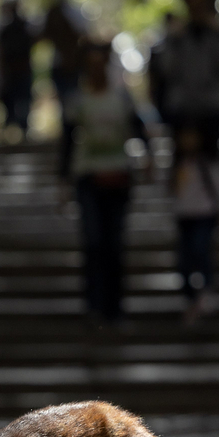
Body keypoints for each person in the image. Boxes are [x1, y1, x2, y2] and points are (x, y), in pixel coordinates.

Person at [61, 41, 150, 325]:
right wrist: (64, 180)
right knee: (94, 241)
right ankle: (94, 304)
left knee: (114, 243)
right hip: (88, 178)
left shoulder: (121, 98)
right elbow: (67, 143)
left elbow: (140, 131)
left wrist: (147, 157)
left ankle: (114, 306)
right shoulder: (77, 101)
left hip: (118, 178)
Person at [151, 0, 219, 152]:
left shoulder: (216, 32)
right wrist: (176, 39)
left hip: (210, 106)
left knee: (210, 158)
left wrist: (218, 33)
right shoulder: (176, 34)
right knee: (182, 162)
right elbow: (165, 69)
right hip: (180, 108)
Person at [172, 122, 219, 321]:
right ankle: (192, 298)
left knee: (200, 250)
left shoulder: (207, 162)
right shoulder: (179, 164)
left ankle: (206, 292)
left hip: (205, 214)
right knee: (184, 260)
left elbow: (218, 187)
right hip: (184, 216)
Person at [41, 0, 89, 120]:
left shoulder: (74, 11)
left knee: (74, 98)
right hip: (61, 64)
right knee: (65, 100)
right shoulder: (54, 12)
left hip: (73, 64)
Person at [0, 0, 34, 136]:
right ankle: (18, 129)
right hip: (16, 71)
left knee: (19, 101)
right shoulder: (10, 28)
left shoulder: (13, 28)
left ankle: (19, 129)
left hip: (18, 70)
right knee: (18, 101)